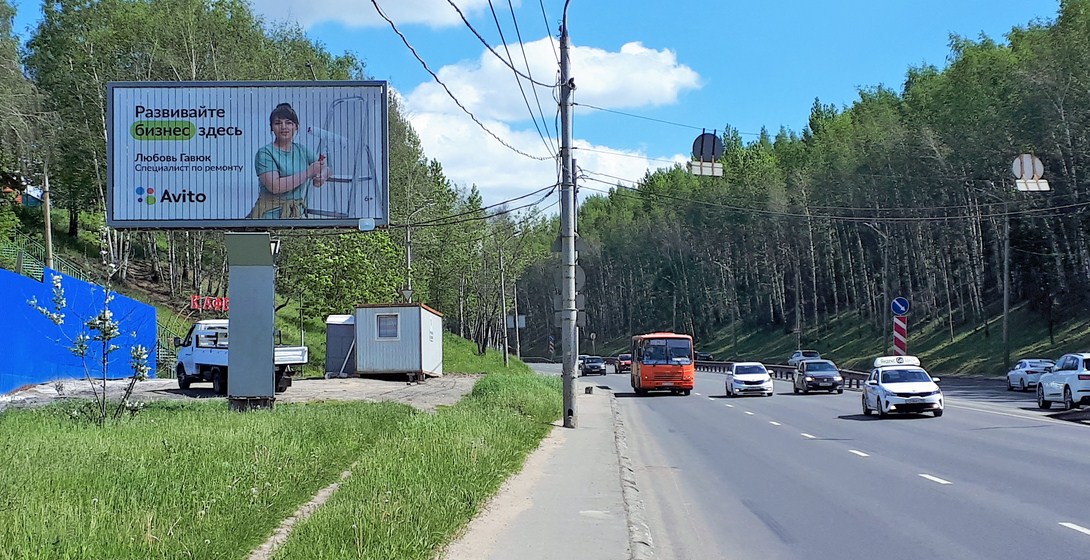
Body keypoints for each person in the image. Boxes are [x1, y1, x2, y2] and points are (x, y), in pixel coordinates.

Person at [247, 103, 329, 219]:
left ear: (296, 127)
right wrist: (308, 173)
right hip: (269, 217)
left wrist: (322, 175)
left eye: (289, 123)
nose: (283, 127)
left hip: (296, 216)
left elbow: (325, 167)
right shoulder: (265, 153)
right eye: (278, 123)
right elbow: (275, 187)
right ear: (271, 128)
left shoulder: (302, 150)